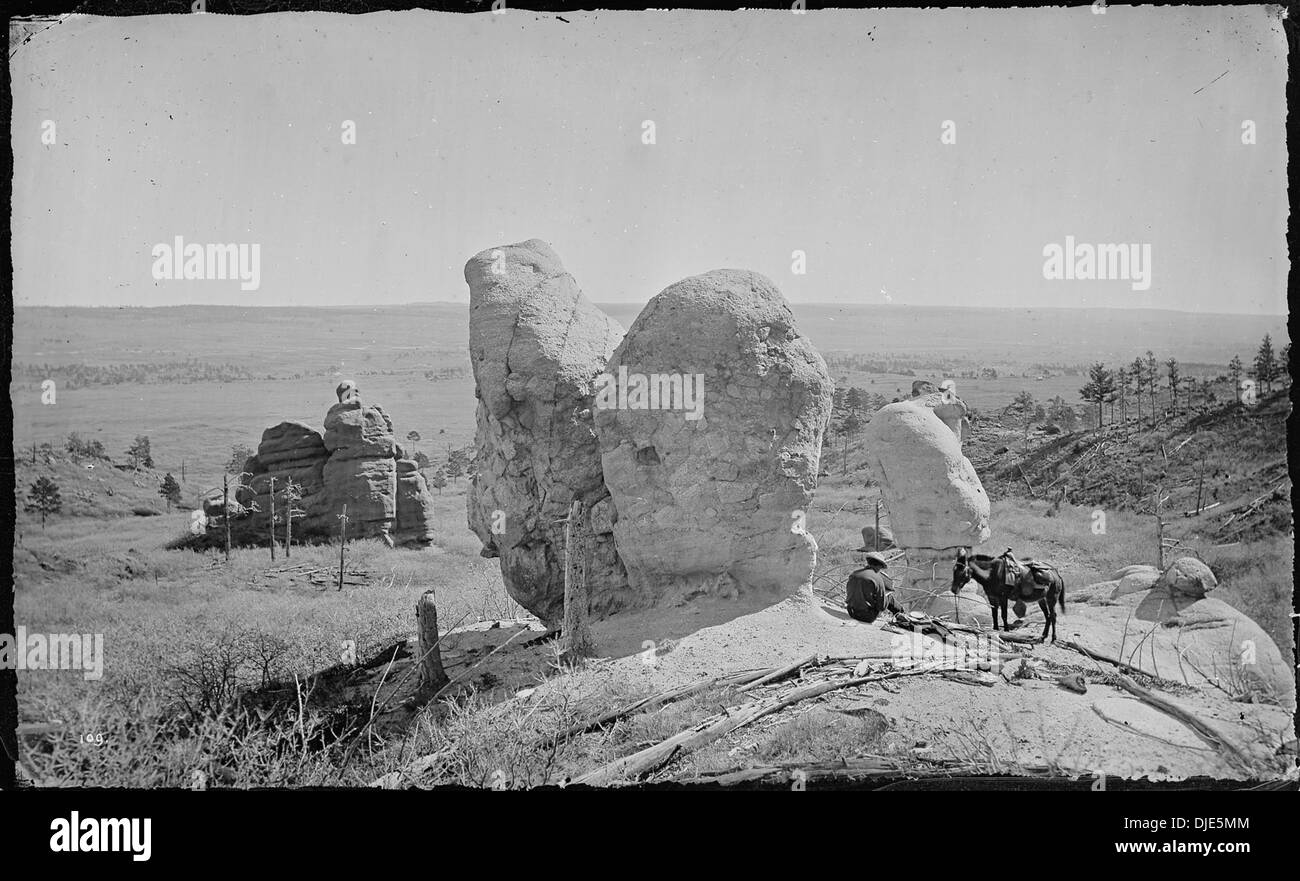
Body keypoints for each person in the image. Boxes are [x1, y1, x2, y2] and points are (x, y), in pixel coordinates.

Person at [845, 552, 903, 623]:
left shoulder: (854, 573)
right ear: (879, 566)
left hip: (851, 612)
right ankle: (901, 613)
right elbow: (882, 607)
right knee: (888, 596)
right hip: (867, 616)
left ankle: (900, 613)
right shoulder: (878, 578)